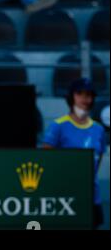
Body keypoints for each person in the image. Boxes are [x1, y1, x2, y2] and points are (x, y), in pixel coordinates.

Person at [42, 78, 106, 229]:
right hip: (64, 198)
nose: (85, 98)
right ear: (72, 96)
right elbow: (45, 158)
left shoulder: (99, 129)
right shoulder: (58, 126)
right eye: (80, 93)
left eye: (89, 95)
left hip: (91, 197)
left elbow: (97, 160)